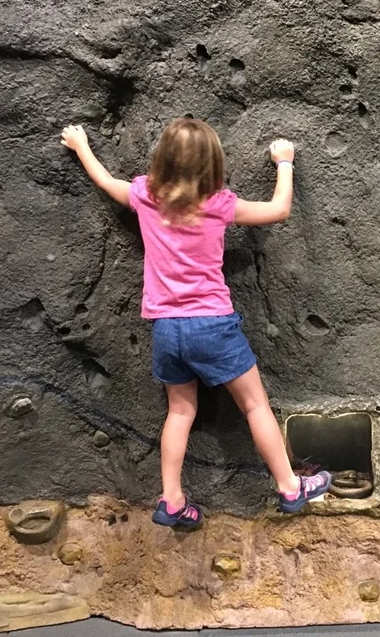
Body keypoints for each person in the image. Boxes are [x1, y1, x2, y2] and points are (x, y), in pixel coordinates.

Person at [60, 118, 332, 528]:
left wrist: (81, 147)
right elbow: (279, 210)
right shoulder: (218, 204)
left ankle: (171, 499)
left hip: (166, 328)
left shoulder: (146, 195)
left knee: (180, 411)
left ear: (162, 159)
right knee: (255, 404)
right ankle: (291, 487)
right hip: (212, 324)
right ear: (213, 163)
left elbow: (108, 182)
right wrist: (285, 162)